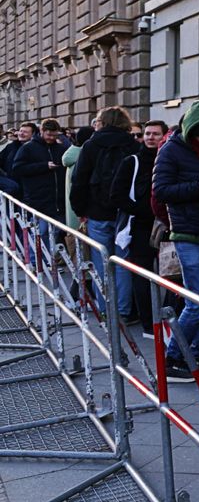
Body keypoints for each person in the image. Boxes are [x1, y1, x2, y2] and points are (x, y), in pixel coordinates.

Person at [153, 102, 199, 381]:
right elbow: (161, 190)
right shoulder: (171, 150)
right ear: (189, 132)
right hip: (187, 234)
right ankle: (172, 356)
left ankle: (198, 354)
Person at [70, 107, 140, 319]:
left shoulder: (91, 145)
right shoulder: (133, 144)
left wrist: (80, 210)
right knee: (123, 262)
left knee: (102, 263)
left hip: (96, 211)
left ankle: (105, 308)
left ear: (103, 122)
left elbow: (79, 179)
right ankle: (123, 310)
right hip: (124, 213)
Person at [110, 120, 167, 337]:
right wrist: (144, 212)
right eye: (148, 133)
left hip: (166, 228)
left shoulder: (170, 160)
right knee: (142, 276)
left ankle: (167, 321)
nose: (151, 137)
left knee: (169, 276)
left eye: (156, 134)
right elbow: (117, 195)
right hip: (140, 228)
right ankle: (148, 324)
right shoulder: (131, 161)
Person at [12, 119, 70, 254]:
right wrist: (44, 166)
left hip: (57, 199)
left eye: (54, 135)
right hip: (38, 198)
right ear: (41, 132)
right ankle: (36, 262)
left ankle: (48, 261)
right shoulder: (28, 148)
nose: (51, 138)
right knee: (40, 232)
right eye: (49, 135)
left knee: (54, 232)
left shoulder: (61, 148)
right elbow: (17, 169)